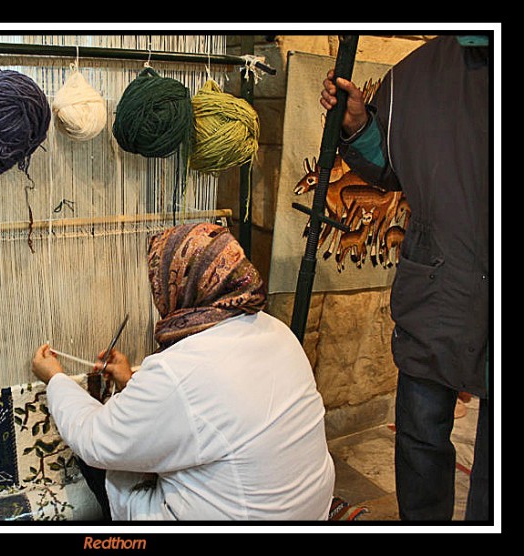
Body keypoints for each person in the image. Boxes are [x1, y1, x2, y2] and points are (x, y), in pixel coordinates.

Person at [31, 222, 335, 520]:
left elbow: (97, 441)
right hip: (310, 508)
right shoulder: (277, 331)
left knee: (100, 462)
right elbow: (210, 411)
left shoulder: (179, 369)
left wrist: (56, 379)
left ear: (178, 284)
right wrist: (130, 381)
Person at [319, 34, 490, 521]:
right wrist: (356, 124)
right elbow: (386, 169)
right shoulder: (415, 75)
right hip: (437, 286)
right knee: (419, 434)